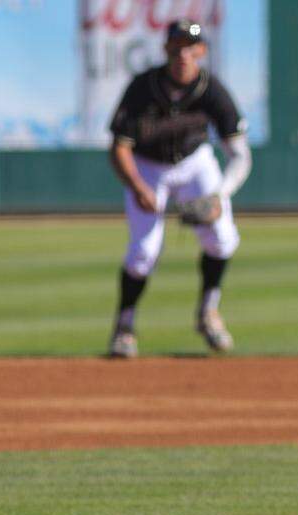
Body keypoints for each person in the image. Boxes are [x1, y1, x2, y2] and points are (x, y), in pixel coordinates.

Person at [106, 19, 251, 358]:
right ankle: (124, 326)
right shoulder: (143, 87)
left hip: (193, 163)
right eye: (178, 45)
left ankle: (208, 312)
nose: (184, 53)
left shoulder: (212, 90)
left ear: (201, 51)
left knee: (223, 237)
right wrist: (137, 185)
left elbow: (241, 155)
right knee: (143, 253)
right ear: (166, 49)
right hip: (147, 166)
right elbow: (119, 147)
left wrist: (220, 195)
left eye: (191, 46)